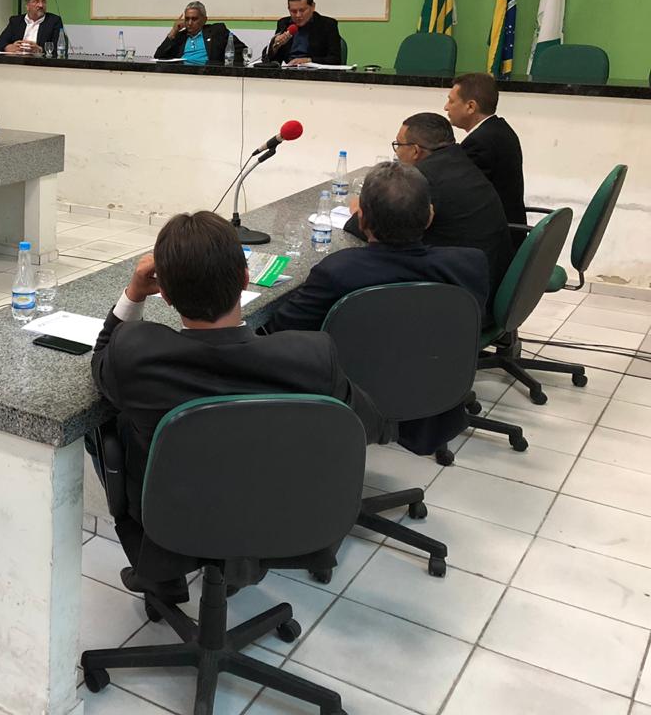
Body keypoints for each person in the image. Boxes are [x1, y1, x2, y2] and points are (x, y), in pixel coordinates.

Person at [90, 210, 381, 598]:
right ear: (245, 279)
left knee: (106, 428)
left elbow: (101, 359)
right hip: (284, 513)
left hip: (171, 521)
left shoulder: (137, 354)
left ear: (166, 295)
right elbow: (369, 425)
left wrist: (133, 293)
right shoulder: (311, 357)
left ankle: (159, 573)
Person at [263, 162, 488, 453]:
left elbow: (279, 331)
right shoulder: (470, 265)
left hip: (349, 399)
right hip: (430, 391)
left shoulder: (337, 272)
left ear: (362, 220)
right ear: (430, 216)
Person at [345, 113, 512, 289]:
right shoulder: (459, 160)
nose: (397, 153)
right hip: (487, 271)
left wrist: (359, 210)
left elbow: (374, 228)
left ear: (415, 151)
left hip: (462, 287)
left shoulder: (423, 179)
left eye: (398, 145)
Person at [444, 72, 526, 235]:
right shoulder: (500, 129)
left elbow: (460, 196)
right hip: (505, 228)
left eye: (451, 101)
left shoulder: (480, 143)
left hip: (493, 238)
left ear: (471, 107)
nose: (446, 107)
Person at [262, 0, 342, 65]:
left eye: (302, 10)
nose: (298, 15)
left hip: (314, 71)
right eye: (293, 11)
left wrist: (308, 60)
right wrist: (275, 46)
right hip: (289, 69)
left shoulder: (328, 24)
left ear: (313, 7)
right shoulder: (284, 23)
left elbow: (335, 59)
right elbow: (270, 60)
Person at [153, 0, 234, 63]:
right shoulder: (180, 36)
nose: (189, 23)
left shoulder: (216, 31)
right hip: (182, 73)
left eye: (194, 19)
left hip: (207, 73)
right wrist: (173, 31)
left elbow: (239, 49)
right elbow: (158, 57)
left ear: (204, 20)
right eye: (187, 19)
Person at [0, 0, 64, 54]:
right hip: (17, 60)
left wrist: (39, 50)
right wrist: (8, 47)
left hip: (40, 62)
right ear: (27, 5)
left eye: (43, 1)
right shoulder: (16, 21)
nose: (41, 5)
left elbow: (59, 49)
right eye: (36, 2)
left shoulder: (54, 21)